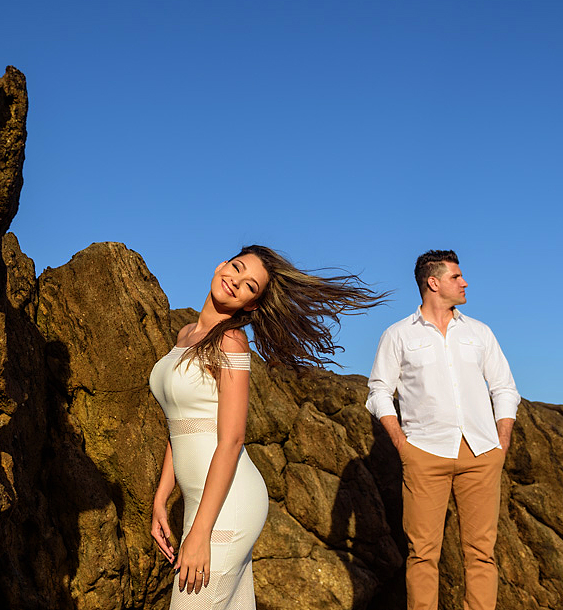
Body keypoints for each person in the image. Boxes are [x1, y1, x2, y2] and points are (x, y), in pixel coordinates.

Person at [149, 244, 386, 608]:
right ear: (221, 265)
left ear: (252, 304)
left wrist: (198, 533)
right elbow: (179, 422)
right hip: (202, 502)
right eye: (237, 269)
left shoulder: (230, 340)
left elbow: (232, 440)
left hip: (229, 503)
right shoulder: (185, 335)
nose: (236, 282)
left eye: (249, 286)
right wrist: (162, 497)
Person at [366, 250, 520, 610]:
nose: (464, 282)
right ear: (433, 283)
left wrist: (502, 442)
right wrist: (403, 444)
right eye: (456, 276)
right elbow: (378, 391)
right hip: (424, 454)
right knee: (422, 555)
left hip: (482, 453)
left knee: (481, 553)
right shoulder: (398, 335)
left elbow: (505, 388)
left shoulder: (480, 332)